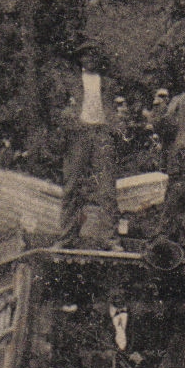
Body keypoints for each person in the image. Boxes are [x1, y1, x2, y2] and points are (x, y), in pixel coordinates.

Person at [56, 43, 120, 247]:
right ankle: (67, 237)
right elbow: (59, 109)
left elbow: (113, 112)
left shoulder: (108, 83)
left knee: (107, 188)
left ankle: (110, 239)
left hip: (101, 134)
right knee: (72, 187)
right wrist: (68, 124)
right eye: (86, 55)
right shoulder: (71, 82)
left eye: (94, 55)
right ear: (80, 58)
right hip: (78, 135)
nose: (91, 58)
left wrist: (114, 130)